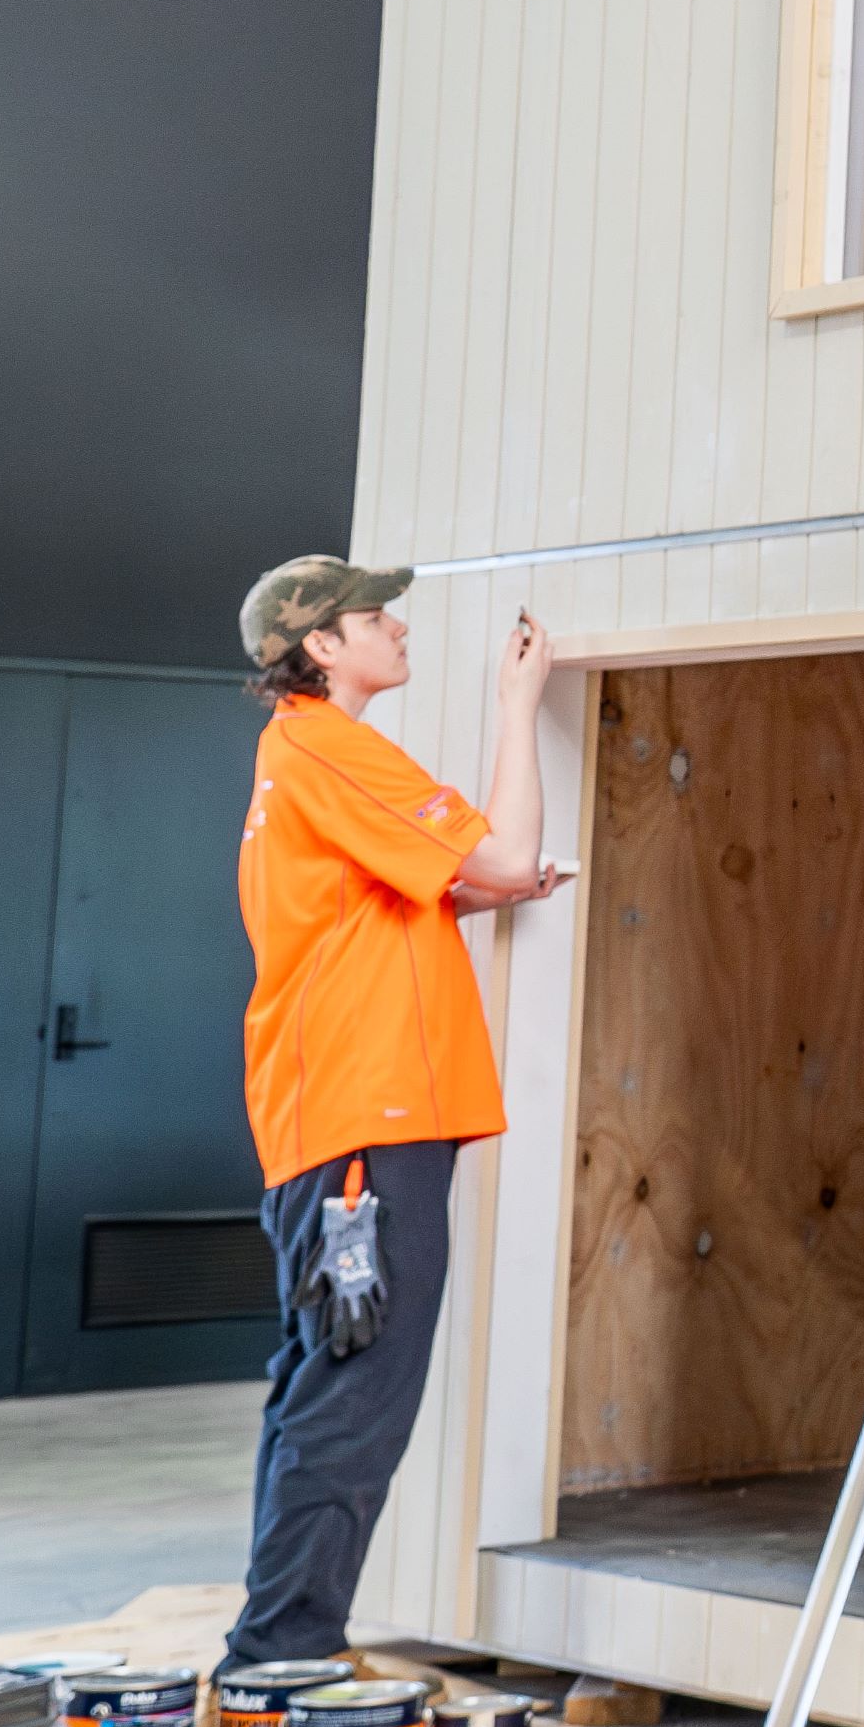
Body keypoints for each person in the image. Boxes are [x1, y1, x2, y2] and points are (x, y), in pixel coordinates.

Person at [228, 560, 567, 1669]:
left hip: (344, 1116)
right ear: (321, 648)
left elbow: (451, 885)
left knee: (326, 1378)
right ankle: (284, 1655)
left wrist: (487, 885)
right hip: (365, 1124)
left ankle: (281, 1642)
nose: (398, 627)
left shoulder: (299, 759)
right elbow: (505, 859)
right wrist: (522, 709)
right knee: (358, 1390)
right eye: (376, 619)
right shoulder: (330, 747)